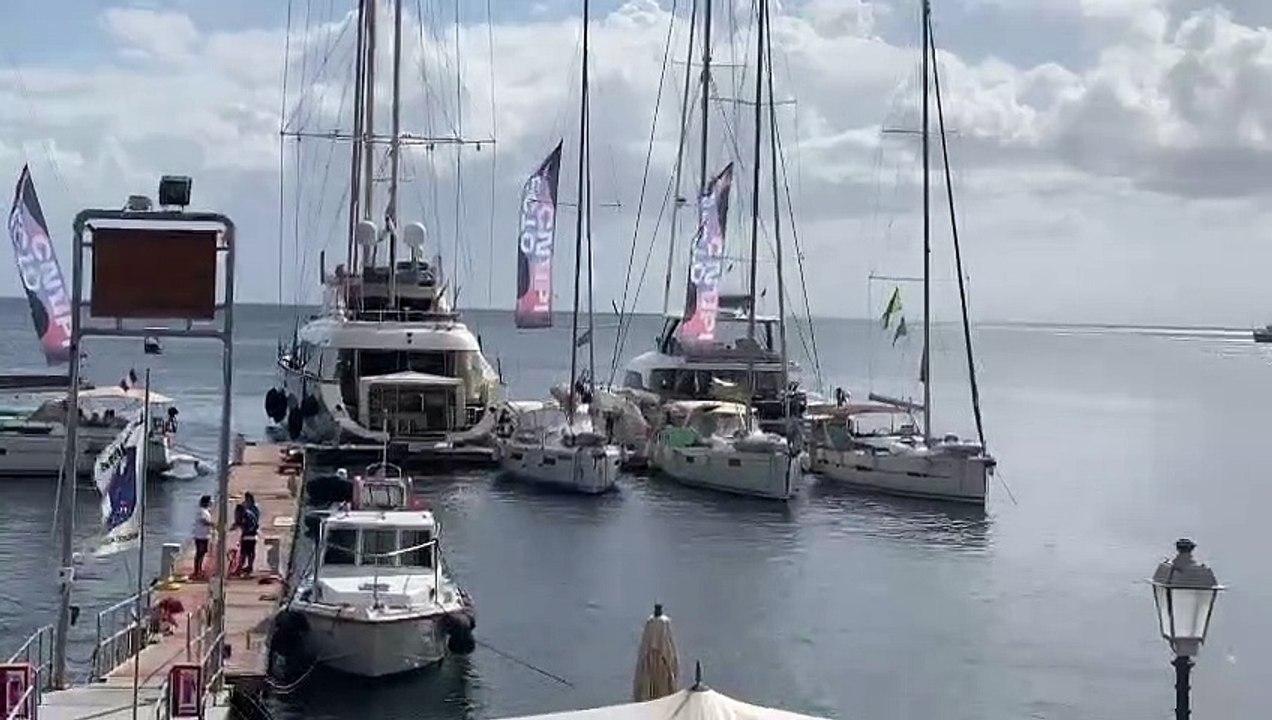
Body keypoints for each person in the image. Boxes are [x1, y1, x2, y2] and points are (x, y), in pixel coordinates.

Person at [232, 492, 261, 577]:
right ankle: (246, 567)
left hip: (249, 536)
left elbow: (250, 524)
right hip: (249, 536)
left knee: (245, 553)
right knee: (248, 553)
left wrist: (244, 528)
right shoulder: (246, 511)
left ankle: (242, 568)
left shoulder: (249, 513)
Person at [192, 495, 213, 580]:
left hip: (205, 535)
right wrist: (214, 524)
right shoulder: (201, 511)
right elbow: (204, 521)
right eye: (210, 501)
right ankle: (197, 570)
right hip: (200, 536)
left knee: (203, 552)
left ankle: (199, 569)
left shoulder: (206, 511)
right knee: (199, 553)